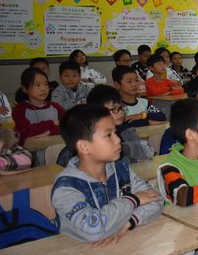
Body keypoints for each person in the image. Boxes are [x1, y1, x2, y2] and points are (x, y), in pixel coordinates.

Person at [51, 104, 163, 243]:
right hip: (79, 253)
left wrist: (131, 221)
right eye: (108, 135)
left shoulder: (121, 169)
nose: (118, 139)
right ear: (84, 147)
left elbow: (156, 198)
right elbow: (94, 229)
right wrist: (133, 200)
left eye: (115, 132)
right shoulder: (66, 187)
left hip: (123, 246)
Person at [57, 85, 155, 166]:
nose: (121, 112)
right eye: (114, 109)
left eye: (121, 108)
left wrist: (122, 149)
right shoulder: (86, 139)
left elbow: (148, 151)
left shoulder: (127, 131)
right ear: (97, 112)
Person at [13, 68, 64, 146]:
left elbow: (69, 125)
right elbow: (26, 131)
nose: (43, 89)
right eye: (37, 85)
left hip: (55, 149)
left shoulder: (55, 106)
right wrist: (52, 123)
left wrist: (50, 131)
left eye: (46, 84)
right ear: (25, 89)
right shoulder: (20, 110)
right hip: (29, 152)